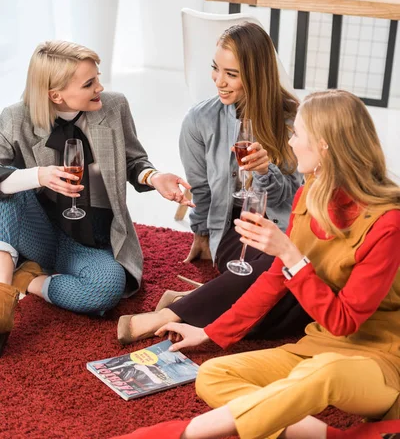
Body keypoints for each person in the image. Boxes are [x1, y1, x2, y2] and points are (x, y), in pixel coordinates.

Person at [110, 90, 400, 439]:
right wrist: (208, 332)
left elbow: (343, 321)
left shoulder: (388, 223)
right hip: (315, 348)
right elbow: (274, 280)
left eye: (297, 134)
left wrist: (291, 255)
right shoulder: (311, 193)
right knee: (213, 375)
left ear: (323, 146)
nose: (290, 143)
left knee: (325, 373)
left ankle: (185, 433)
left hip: (383, 361)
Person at [117, 22, 311, 345]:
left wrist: (265, 172)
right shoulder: (199, 121)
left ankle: (184, 304)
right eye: (215, 68)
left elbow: (294, 199)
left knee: (295, 289)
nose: (218, 81)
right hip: (235, 230)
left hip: (282, 228)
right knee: (281, 277)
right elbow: (201, 189)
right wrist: (203, 234)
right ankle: (165, 317)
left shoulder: (294, 122)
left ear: (256, 75)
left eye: (231, 74)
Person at [0, 41, 193, 355]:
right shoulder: (15, 118)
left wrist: (153, 178)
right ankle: (2, 297)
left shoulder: (114, 107)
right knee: (6, 188)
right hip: (37, 232)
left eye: (98, 78)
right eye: (89, 84)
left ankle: (29, 280)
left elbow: (133, 161)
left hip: (89, 237)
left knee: (107, 290)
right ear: (55, 95)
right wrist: (39, 175)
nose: (100, 87)